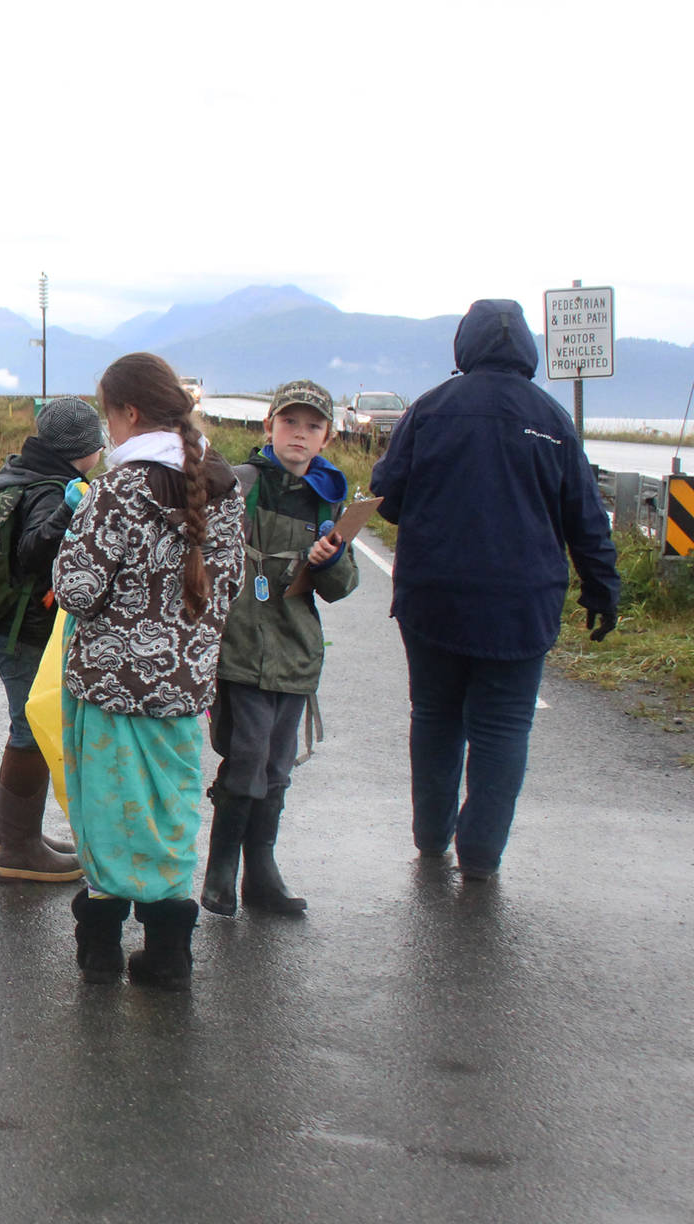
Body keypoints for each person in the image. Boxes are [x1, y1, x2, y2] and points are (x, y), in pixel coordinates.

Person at [372, 299, 619, 881]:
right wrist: (601, 590)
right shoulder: (553, 420)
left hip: (433, 595)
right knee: (504, 725)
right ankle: (480, 855)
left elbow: (388, 493)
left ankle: (431, 836)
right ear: (527, 348)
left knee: (434, 714)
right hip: (521, 603)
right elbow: (586, 517)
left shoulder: (430, 409)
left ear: (466, 344)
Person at [50, 353, 245, 989]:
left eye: (109, 416)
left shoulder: (118, 489)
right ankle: (169, 956)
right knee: (169, 814)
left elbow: (76, 589)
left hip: (109, 687)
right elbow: (233, 583)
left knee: (105, 813)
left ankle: (100, 949)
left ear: (129, 413)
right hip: (184, 689)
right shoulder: (222, 485)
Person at [201, 381, 360, 917]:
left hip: (295, 654)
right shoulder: (240, 484)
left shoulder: (329, 499)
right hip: (238, 648)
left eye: (312, 426)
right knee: (245, 759)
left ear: (327, 437)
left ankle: (261, 874)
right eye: (290, 423)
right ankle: (221, 870)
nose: (300, 435)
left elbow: (342, 588)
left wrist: (328, 560)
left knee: (276, 768)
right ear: (268, 426)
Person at [0, 397, 105, 882]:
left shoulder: (19, 470)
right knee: (31, 726)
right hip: (23, 625)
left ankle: (7, 830)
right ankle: (19, 848)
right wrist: (67, 514)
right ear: (84, 448)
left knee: (24, 723)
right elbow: (32, 552)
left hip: (7, 620)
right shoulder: (53, 487)